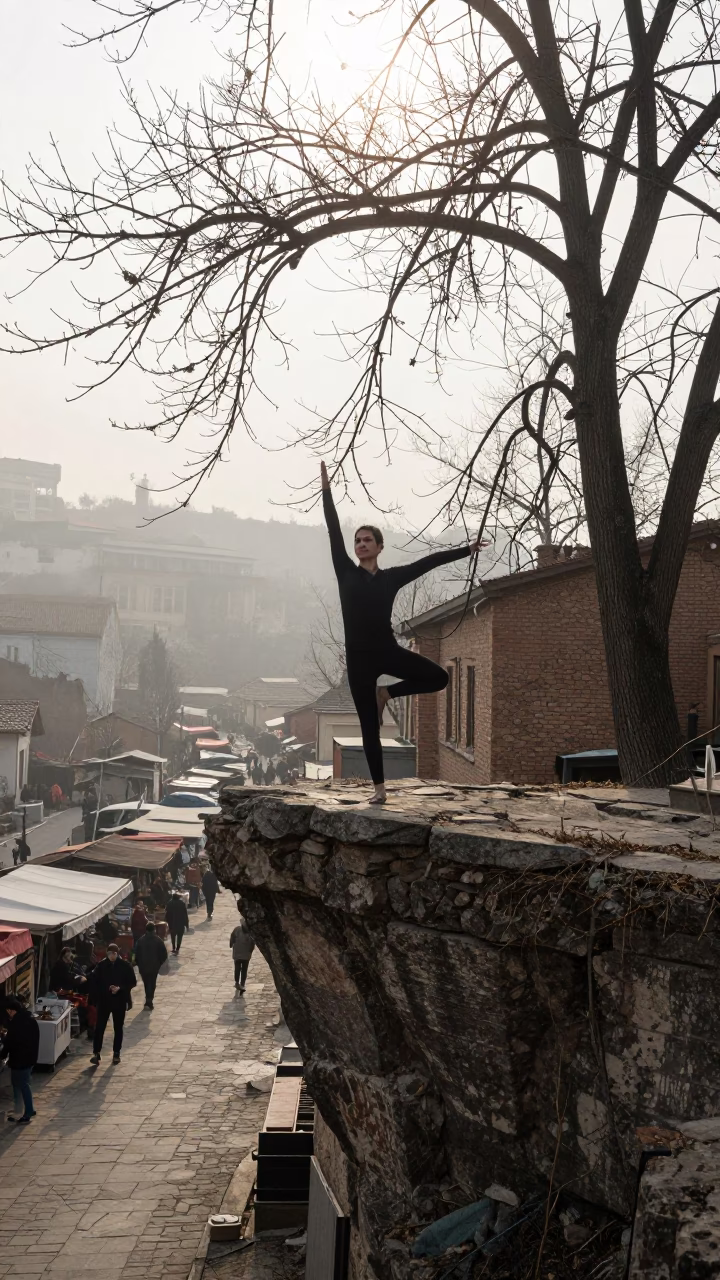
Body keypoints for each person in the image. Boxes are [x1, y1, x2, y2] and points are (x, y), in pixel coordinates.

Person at [321, 461, 486, 804]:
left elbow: (428, 562)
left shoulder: (391, 577)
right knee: (369, 727)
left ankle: (389, 693)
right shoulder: (345, 573)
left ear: (380, 547)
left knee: (439, 677)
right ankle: (379, 790)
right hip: (359, 660)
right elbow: (333, 529)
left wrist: (465, 550)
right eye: (358, 541)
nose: (361, 544)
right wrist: (326, 489)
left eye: (368, 540)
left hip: (385, 650)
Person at [89, 943, 136, 1065]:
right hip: (104, 1001)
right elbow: (94, 981)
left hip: (119, 1000)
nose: (112, 956)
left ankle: (116, 1053)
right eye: (110, 954)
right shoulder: (101, 965)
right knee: (99, 1027)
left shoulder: (125, 965)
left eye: (114, 954)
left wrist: (120, 988)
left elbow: (132, 982)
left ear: (117, 953)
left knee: (118, 1028)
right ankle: (96, 1053)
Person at [0, 997, 39, 1124]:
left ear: (13, 1010)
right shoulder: (30, 1019)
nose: (9, 1014)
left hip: (20, 1059)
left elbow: (11, 1043)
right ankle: (23, 1110)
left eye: (9, 1011)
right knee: (22, 1084)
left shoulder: (16, 1024)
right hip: (30, 1058)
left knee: (21, 1085)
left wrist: (2, 1053)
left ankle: (26, 1112)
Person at [134, 922, 168, 1010]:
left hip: (143, 966)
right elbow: (164, 954)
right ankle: (149, 1001)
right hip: (154, 966)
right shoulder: (158, 940)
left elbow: (136, 953)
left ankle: (148, 1000)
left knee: (146, 983)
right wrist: (159, 963)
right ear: (154, 930)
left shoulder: (141, 940)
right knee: (152, 983)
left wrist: (138, 963)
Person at [229, 915, 255, 992]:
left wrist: (231, 944)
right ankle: (242, 983)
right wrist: (250, 951)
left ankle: (237, 982)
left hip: (237, 953)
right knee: (244, 969)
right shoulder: (251, 933)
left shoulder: (237, 930)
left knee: (237, 968)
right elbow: (252, 944)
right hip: (246, 955)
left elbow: (232, 938)